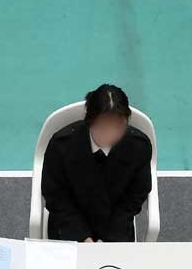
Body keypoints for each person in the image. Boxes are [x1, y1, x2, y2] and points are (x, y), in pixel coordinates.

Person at [40, 84, 153, 243]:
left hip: (115, 227)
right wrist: (81, 236)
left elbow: (134, 197)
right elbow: (56, 196)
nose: (111, 133)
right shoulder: (61, 146)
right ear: (90, 121)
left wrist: (109, 238)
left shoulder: (138, 147)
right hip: (69, 224)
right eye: (104, 126)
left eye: (118, 126)